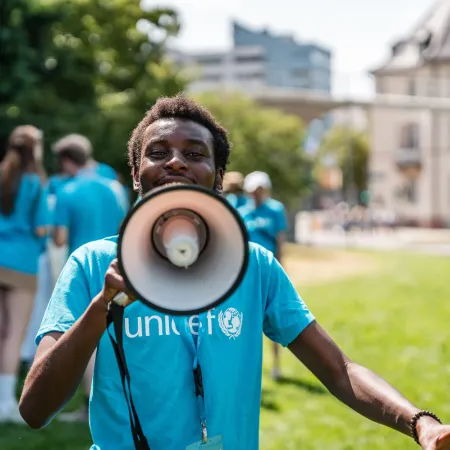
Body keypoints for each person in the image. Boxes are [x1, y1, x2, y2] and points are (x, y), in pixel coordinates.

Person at [20, 96, 450, 450]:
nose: (174, 162)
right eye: (157, 153)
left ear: (218, 178)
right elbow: (35, 410)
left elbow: (339, 370)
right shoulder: (93, 264)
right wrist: (102, 307)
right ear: (136, 174)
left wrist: (420, 423)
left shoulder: (254, 266)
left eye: (194, 154)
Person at [50, 134, 129, 422]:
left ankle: (89, 408)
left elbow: (59, 239)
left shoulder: (68, 191)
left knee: (88, 341)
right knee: (119, 338)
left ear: (67, 161)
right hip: (119, 269)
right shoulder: (114, 188)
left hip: (84, 272)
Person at [0, 125, 49, 422]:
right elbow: (42, 227)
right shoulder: (35, 182)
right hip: (23, 262)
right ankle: (5, 403)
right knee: (15, 334)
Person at [239, 171, 288, 381]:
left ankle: (276, 365)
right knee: (248, 320)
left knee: (273, 317)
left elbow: (280, 241)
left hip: (269, 271)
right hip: (247, 273)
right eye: (252, 190)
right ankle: (249, 366)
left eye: (259, 190)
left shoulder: (275, 210)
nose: (256, 194)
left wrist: (282, 268)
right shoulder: (242, 212)